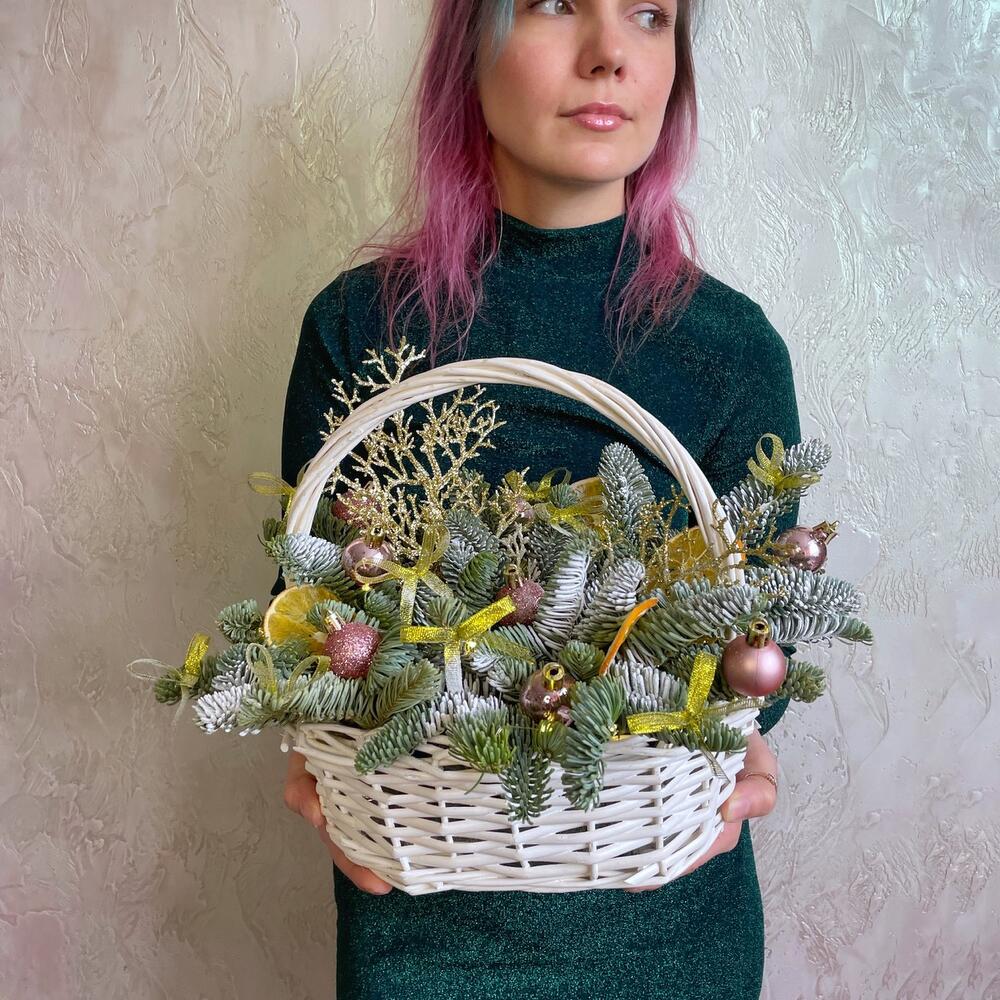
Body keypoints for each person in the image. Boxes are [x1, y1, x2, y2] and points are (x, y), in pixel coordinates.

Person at [276, 1, 799, 996]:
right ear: (466, 48)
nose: (610, 55)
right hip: (422, 919)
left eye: (649, 15)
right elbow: (302, 610)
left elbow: (768, 640)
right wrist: (310, 742)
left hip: (664, 926)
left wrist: (755, 745)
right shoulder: (359, 329)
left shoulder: (730, 351)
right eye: (557, 3)